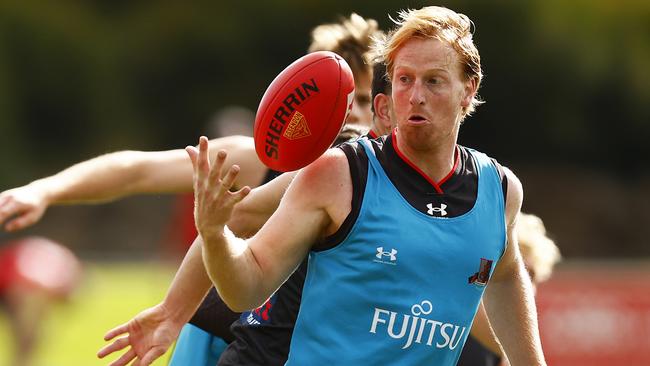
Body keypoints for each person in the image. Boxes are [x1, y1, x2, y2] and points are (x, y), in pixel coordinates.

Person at [99, 6, 544, 365]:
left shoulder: (499, 190)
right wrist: (214, 235)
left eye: (434, 81)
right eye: (405, 79)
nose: (417, 95)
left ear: (469, 91)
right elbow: (246, 286)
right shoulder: (338, 174)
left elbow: (504, 275)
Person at [0, 13, 381, 365]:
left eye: (364, 101)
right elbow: (137, 170)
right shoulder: (254, 163)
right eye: (342, 101)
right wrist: (45, 189)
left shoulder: (380, 182)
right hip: (220, 339)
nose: (354, 115)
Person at [458, 212, 562, 366]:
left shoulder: (496, 350)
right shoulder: (459, 318)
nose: (521, 283)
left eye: (530, 275)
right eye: (510, 273)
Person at [0, 236, 82, 366]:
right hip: (10, 278)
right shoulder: (54, 277)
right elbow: (21, 284)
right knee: (28, 335)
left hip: (15, 274)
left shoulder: (61, 266)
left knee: (29, 335)